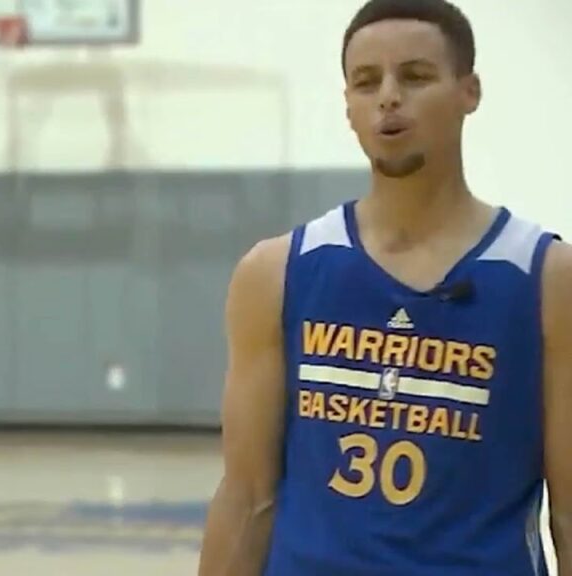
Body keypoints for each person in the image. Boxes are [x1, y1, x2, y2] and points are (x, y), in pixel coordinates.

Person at [197, 0, 572, 574]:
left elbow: (568, 513)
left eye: (415, 77)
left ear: (469, 92)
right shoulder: (276, 272)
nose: (389, 97)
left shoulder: (546, 277)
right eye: (367, 82)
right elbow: (247, 500)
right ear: (348, 105)